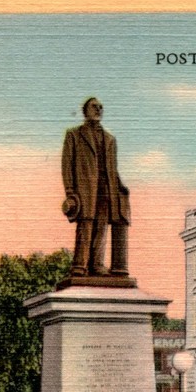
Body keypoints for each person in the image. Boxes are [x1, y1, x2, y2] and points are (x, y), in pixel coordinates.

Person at [61, 97, 130, 277]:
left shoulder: (110, 139)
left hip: (106, 188)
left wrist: (120, 186)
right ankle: (80, 265)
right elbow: (67, 165)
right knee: (85, 224)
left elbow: (113, 168)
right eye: (94, 107)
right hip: (85, 189)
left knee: (101, 227)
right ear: (85, 111)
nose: (98, 110)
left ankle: (97, 265)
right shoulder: (74, 134)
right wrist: (69, 191)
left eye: (100, 107)